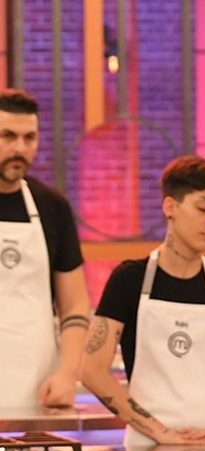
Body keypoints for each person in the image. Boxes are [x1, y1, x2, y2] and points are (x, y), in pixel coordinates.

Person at [81, 156, 205, 447]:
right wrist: (158, 432)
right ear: (170, 207)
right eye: (203, 208)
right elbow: (92, 370)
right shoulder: (129, 279)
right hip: (148, 447)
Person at [0, 89, 90, 410]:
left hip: (37, 385)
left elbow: (75, 303)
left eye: (29, 138)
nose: (19, 148)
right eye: (8, 136)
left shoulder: (52, 207)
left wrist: (67, 374)